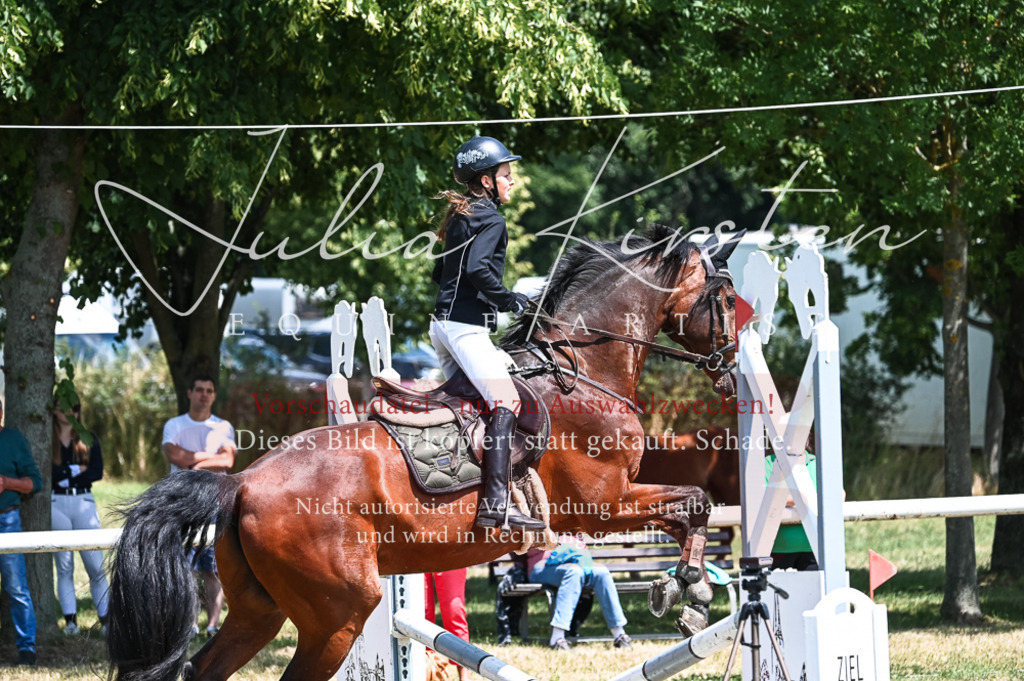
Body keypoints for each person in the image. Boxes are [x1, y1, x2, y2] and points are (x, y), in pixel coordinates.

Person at [429, 135, 543, 531]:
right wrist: (508, 299)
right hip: (464, 329)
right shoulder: (491, 218)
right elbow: (479, 270)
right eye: (506, 175)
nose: (512, 181)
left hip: (441, 326)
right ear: (486, 181)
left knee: (462, 407)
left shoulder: (459, 217)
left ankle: (450, 482)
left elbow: (437, 272)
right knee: (506, 403)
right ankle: (495, 503)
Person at [161, 375, 236, 638]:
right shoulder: (174, 424)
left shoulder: (223, 427)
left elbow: (227, 461)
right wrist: (209, 459)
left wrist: (193, 462)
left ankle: (213, 626)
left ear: (214, 395)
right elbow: (174, 456)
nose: (204, 394)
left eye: (209, 390)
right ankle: (190, 625)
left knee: (213, 568)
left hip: (214, 502)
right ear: (190, 392)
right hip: (183, 503)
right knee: (187, 567)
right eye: (199, 389)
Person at [51, 400, 111, 635]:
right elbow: (49, 473)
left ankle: (106, 621)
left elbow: (96, 471)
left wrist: (67, 476)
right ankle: (71, 623)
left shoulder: (88, 438)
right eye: (63, 406)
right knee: (64, 565)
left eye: (73, 407)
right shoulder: (49, 439)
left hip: (83, 501)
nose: (69, 411)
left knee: (95, 565)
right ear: (54, 408)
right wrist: (76, 472)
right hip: (56, 502)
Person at [528, 539, 632, 651]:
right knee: (573, 572)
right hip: (543, 565)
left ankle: (619, 634)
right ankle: (557, 637)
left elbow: (581, 545)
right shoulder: (540, 521)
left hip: (575, 561)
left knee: (602, 572)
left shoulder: (573, 524)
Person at [0, 397, 42, 666]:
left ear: (1, 412)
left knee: (16, 587)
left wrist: (6, 482)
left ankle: (27, 648)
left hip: (8, 522)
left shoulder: (13, 439)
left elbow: (34, 482)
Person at [424, 569, 468, 681]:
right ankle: (427, 671)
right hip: (415, 553)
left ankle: (464, 675)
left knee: (454, 611)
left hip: (450, 553)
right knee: (423, 612)